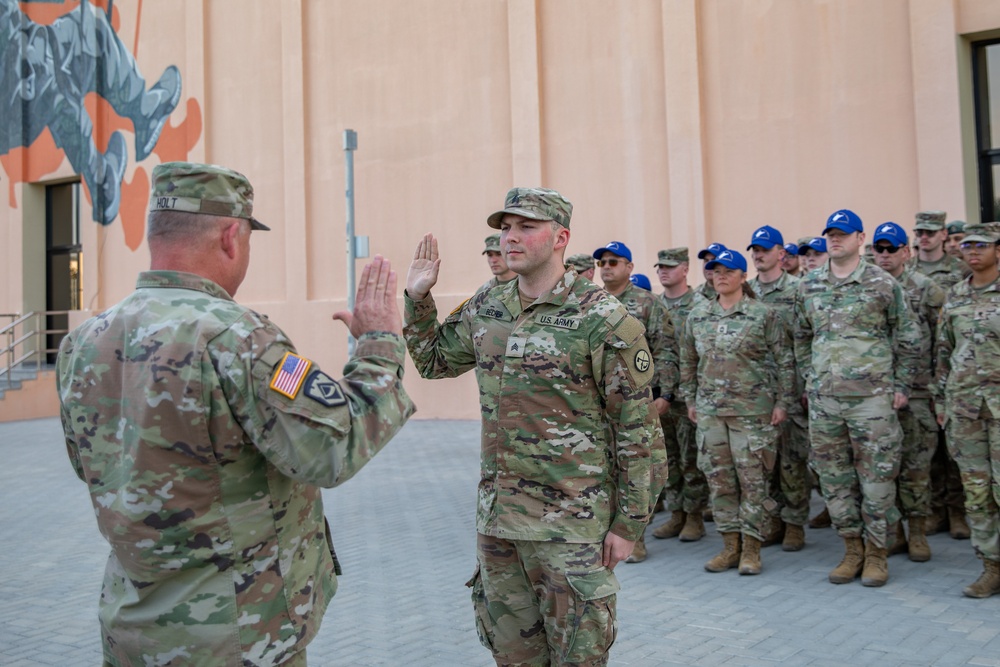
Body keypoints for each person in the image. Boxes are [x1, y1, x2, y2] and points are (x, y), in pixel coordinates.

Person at [55, 162, 416, 667]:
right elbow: (334, 447)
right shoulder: (237, 338)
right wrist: (378, 344)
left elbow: (88, 464)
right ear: (231, 236)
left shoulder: (83, 342)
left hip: (131, 633)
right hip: (236, 638)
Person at [404, 187, 664, 666]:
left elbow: (638, 430)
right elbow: (435, 361)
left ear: (561, 237)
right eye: (505, 228)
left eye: (526, 227)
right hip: (500, 526)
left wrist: (629, 525)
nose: (510, 238)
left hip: (571, 529)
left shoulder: (601, 317)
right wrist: (419, 299)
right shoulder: (489, 305)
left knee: (578, 659)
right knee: (514, 659)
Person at [794, 209, 920, 587]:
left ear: (860, 239)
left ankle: (878, 553)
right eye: (830, 234)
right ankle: (852, 549)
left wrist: (901, 386)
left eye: (843, 234)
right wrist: (810, 376)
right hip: (825, 400)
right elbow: (801, 336)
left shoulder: (882, 284)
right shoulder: (810, 284)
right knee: (834, 479)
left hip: (872, 401)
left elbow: (909, 336)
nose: (835, 239)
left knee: (878, 479)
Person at [1, 0, 181, 223]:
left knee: (55, 92)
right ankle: (144, 111)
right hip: (21, 90)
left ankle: (101, 180)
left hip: (14, 114)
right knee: (86, 28)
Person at [680, 249, 795, 575]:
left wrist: (783, 402)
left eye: (728, 271)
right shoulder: (698, 315)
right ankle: (730, 546)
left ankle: (752, 550)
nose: (720, 275)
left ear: (743, 277)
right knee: (720, 483)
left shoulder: (763, 315)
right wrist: (690, 400)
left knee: (752, 483)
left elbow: (785, 361)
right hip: (711, 413)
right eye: (715, 270)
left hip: (752, 413)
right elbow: (687, 361)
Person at [593, 241, 679, 562]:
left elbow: (666, 350)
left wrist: (665, 394)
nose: (607, 267)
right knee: (605, 467)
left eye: (614, 262)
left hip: (639, 401)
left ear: (629, 267)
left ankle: (636, 534)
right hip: (600, 404)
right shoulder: (590, 302)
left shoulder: (648, 303)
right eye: (602, 262)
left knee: (639, 466)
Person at [871, 222, 946, 563]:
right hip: (874, 393)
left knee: (916, 467)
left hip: (916, 392)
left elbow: (943, 341)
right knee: (881, 468)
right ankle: (892, 533)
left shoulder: (925, 288)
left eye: (892, 249)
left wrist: (937, 389)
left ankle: (917, 533)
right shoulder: (864, 287)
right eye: (879, 249)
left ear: (906, 251)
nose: (884, 255)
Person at [935, 222, 1000, 598]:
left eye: (982, 245)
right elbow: (944, 352)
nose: (973, 251)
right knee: (976, 492)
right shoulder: (956, 296)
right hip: (965, 408)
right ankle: (991, 566)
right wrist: (942, 399)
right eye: (968, 245)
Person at [908, 210, 972, 539]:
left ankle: (958, 512)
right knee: (926, 451)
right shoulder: (909, 271)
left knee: (953, 450)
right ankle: (934, 510)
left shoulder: (960, 269)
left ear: (944, 234)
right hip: (918, 377)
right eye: (920, 231)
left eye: (931, 232)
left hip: (947, 370)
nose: (925, 237)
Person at [747, 225, 809, 552]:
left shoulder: (799, 290)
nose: (758, 255)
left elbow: (807, 337)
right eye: (754, 250)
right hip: (758, 390)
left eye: (765, 249)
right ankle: (773, 519)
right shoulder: (748, 292)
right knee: (764, 461)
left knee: (793, 458)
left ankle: (796, 522)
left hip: (792, 386)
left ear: (781, 254)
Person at [651, 248, 711, 542]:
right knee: (668, 458)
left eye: (670, 267)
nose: (663, 271)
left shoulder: (700, 303)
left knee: (691, 458)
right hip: (662, 395)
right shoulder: (655, 304)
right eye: (660, 267)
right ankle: (676, 513)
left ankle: (695, 516)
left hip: (689, 395)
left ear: (685, 269)